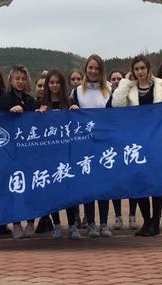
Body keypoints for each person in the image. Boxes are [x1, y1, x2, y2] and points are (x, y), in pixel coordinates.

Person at [112, 55, 162, 237]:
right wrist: (125, 83)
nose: (140, 72)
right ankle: (146, 220)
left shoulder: (161, 87)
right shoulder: (129, 88)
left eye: (142, 68)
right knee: (138, 181)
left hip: (156, 141)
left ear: (148, 69)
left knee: (156, 181)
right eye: (136, 69)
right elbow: (116, 105)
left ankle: (156, 221)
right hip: (136, 142)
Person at [0, 65, 39, 239]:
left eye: (23, 79)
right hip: (11, 153)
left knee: (30, 189)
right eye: (17, 78)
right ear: (11, 80)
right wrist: (9, 112)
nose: (20, 82)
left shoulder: (31, 101)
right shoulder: (3, 100)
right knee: (15, 188)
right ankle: (16, 223)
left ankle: (30, 222)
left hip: (30, 154)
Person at [37, 69, 81, 239]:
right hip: (49, 155)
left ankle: (72, 225)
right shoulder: (40, 104)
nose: (54, 85)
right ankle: (56, 225)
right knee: (52, 191)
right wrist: (36, 117)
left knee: (69, 191)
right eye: (51, 82)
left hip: (67, 154)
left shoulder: (70, 102)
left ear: (62, 85)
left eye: (58, 82)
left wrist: (76, 110)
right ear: (47, 85)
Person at [72, 54, 112, 237]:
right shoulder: (76, 92)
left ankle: (104, 224)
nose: (94, 71)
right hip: (84, 145)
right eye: (91, 68)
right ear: (86, 69)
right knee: (88, 185)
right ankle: (91, 224)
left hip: (104, 144)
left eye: (97, 68)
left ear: (101, 70)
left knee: (104, 185)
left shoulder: (110, 89)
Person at [106, 69, 127, 229]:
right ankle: (118, 216)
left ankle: (132, 216)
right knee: (115, 183)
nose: (116, 81)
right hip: (112, 144)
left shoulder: (130, 95)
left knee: (131, 180)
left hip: (129, 143)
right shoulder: (107, 97)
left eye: (119, 78)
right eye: (113, 78)